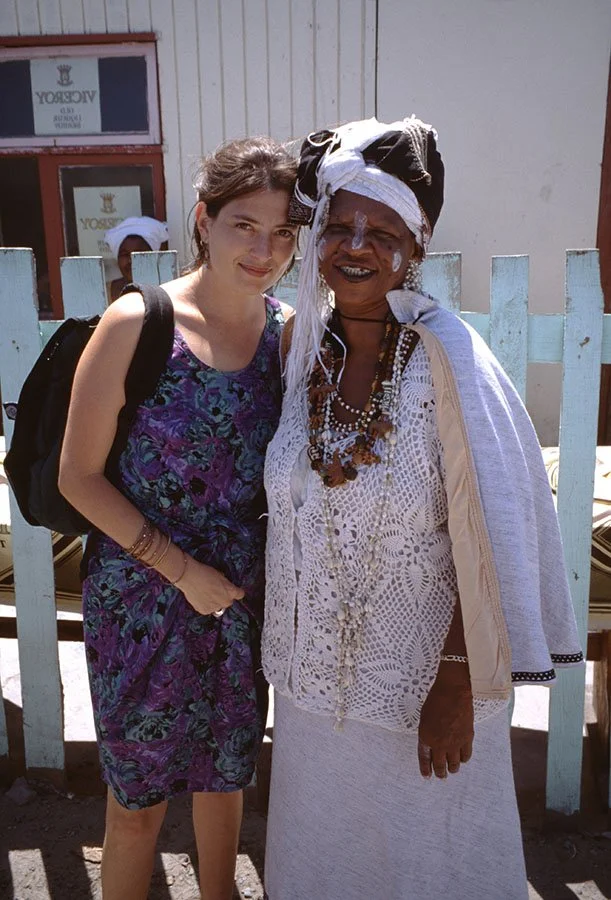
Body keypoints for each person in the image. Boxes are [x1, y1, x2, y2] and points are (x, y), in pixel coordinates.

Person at [261, 117, 584, 899]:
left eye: (382, 230)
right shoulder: (297, 352)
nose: (357, 246)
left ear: (418, 245)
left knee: (430, 864)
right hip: (309, 694)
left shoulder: (453, 362)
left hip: (422, 694)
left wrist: (456, 681)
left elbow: (499, 534)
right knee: (325, 859)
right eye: (339, 226)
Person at [59, 137, 298, 900]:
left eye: (284, 231)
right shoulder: (140, 321)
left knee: (226, 783)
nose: (263, 249)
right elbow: (78, 477)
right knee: (137, 806)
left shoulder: (287, 335)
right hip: (140, 601)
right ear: (203, 220)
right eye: (243, 225)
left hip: (236, 600)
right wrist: (181, 570)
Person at [104, 216, 170, 302]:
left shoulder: (169, 288)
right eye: (125, 254)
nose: (131, 260)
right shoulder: (104, 292)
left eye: (139, 254)